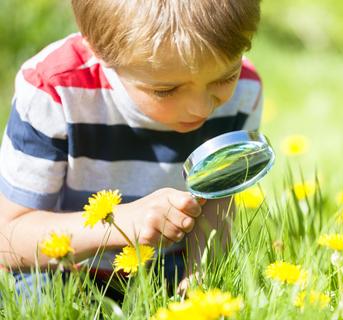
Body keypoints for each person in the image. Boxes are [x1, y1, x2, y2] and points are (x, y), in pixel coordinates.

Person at [0, 0, 262, 300]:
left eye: (225, 77)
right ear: (100, 50)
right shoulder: (55, 91)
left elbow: (217, 202)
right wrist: (120, 225)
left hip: (164, 268)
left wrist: (200, 275)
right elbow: (8, 238)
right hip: (60, 269)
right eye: (165, 90)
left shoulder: (245, 90)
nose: (201, 107)